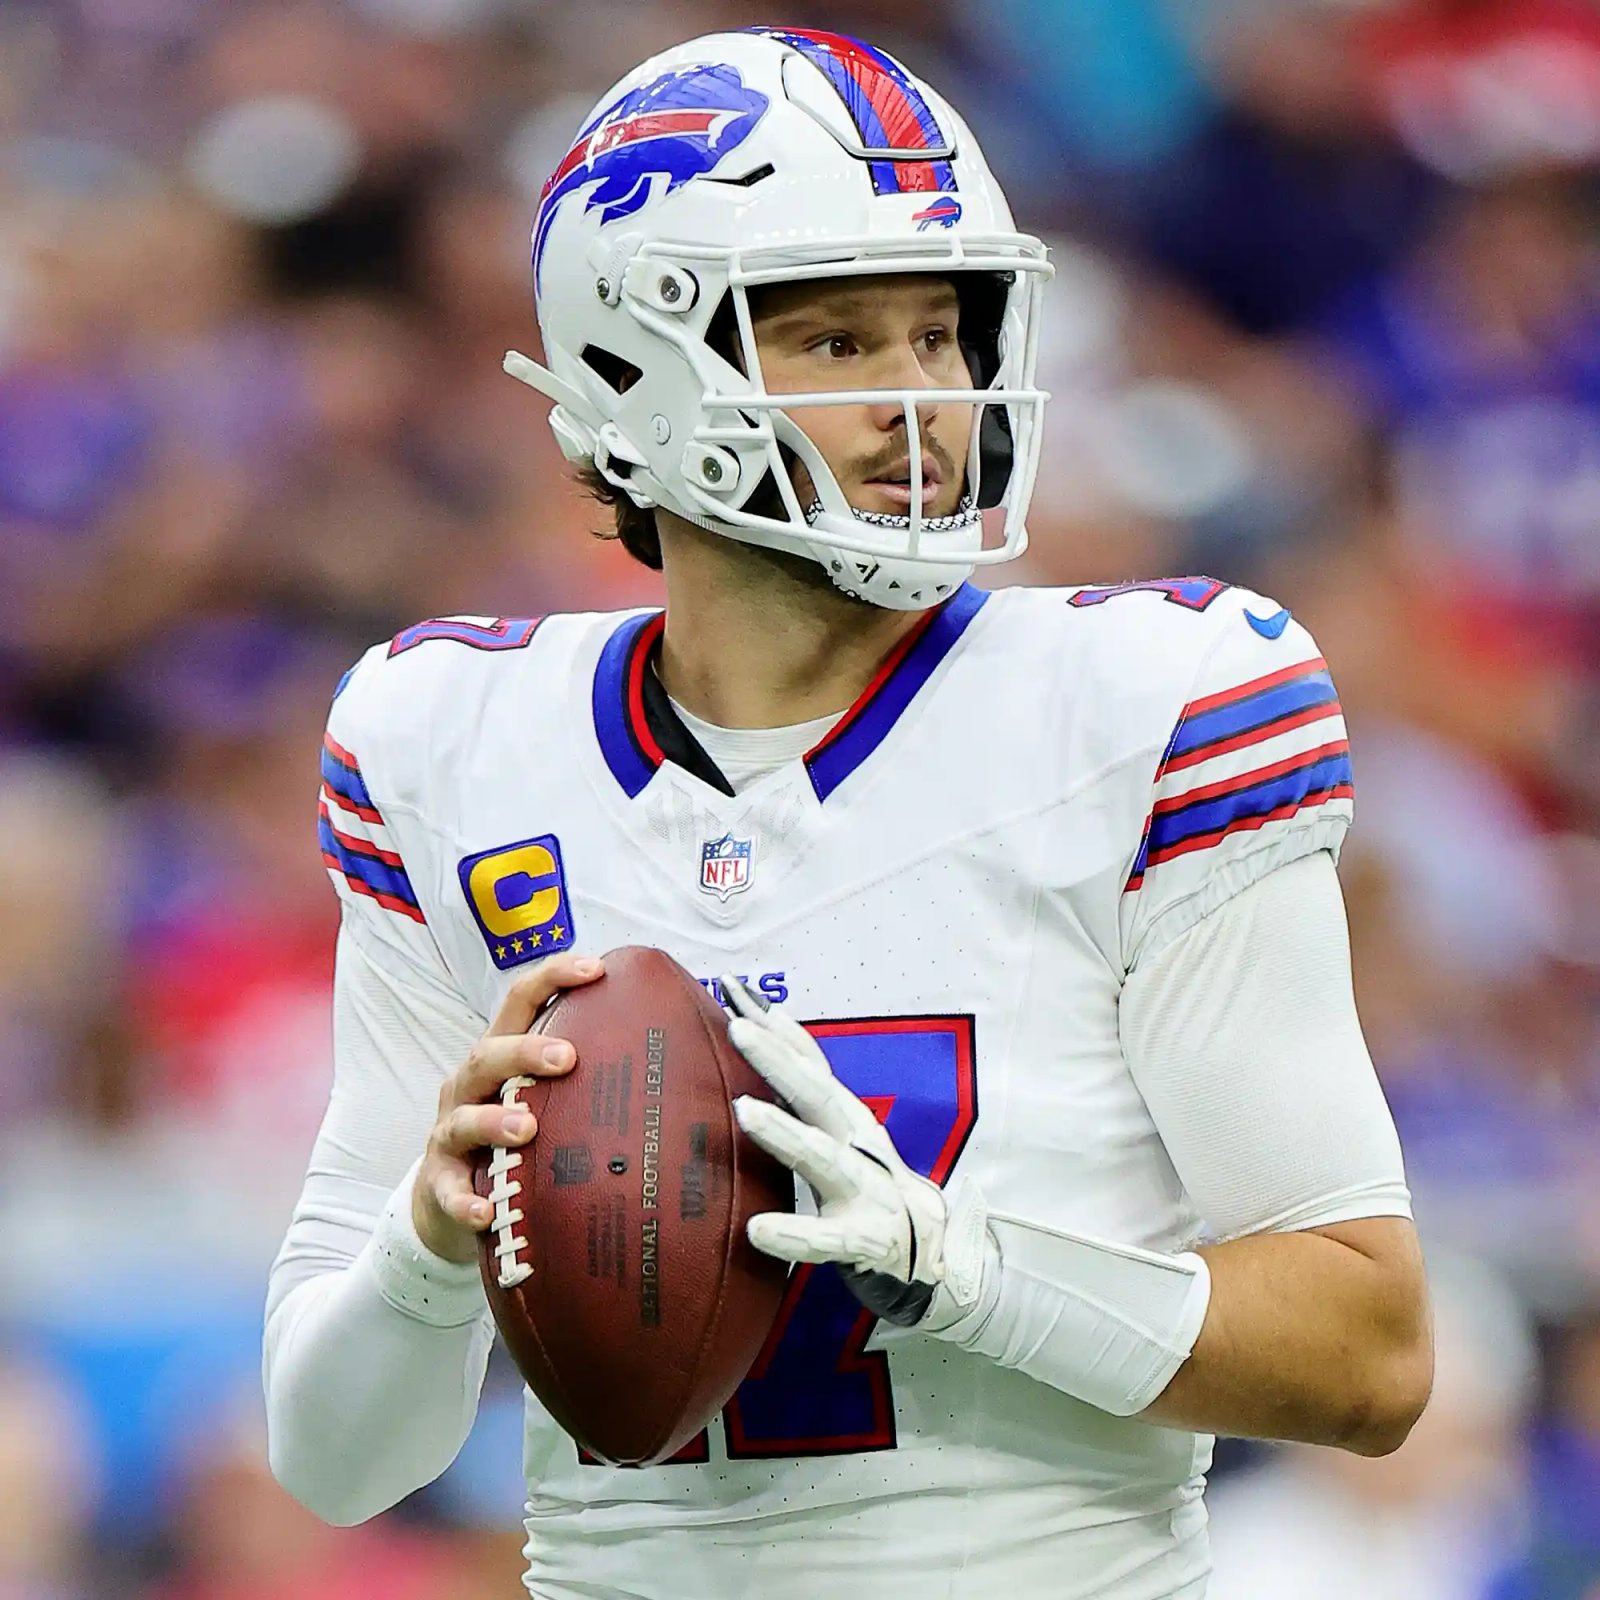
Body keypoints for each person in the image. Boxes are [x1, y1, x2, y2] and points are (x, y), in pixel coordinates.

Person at [262, 27, 1433, 1600]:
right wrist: (423, 1251)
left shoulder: (1152, 702)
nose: (923, 400)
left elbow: (1369, 1354)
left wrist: (963, 1268)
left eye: (940, 336)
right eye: (835, 343)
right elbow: (338, 1464)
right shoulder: (447, 743)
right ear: (636, 372)